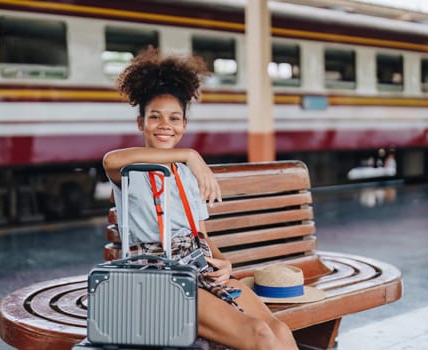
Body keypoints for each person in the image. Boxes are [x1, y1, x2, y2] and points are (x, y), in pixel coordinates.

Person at [103, 47, 298, 350]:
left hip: (197, 266)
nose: (165, 124)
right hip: (155, 275)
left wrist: (224, 262)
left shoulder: (187, 175)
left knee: (278, 330)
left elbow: (200, 235)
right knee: (257, 334)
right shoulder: (131, 170)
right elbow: (110, 159)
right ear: (141, 123)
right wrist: (191, 154)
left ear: (184, 126)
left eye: (174, 118)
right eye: (154, 117)